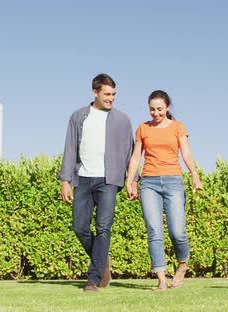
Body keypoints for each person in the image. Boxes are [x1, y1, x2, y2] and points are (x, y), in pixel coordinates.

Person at [58, 73, 135, 292]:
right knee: (79, 227)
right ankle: (102, 261)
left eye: (114, 94)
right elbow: (70, 148)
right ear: (95, 92)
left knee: (103, 228)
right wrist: (65, 180)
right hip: (82, 178)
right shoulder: (78, 116)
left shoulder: (123, 120)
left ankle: (93, 279)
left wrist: (132, 180)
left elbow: (131, 153)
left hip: (108, 180)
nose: (111, 98)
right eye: (107, 94)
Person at [126, 90, 203, 291]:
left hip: (174, 182)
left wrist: (194, 174)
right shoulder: (143, 128)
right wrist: (130, 181)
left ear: (167, 107)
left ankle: (182, 264)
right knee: (154, 232)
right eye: (152, 109)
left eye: (159, 109)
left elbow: (186, 152)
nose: (155, 113)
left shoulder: (178, 127)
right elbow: (135, 157)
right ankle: (161, 278)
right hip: (149, 183)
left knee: (177, 231)